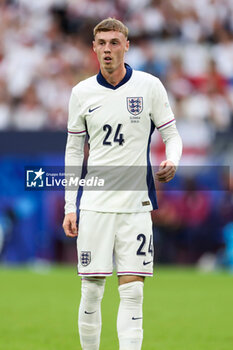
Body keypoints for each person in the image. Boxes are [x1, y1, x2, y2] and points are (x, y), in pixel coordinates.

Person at [63, 18, 182, 350]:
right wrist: (70, 206)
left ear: (126, 46)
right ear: (93, 48)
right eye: (101, 43)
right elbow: (74, 150)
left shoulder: (149, 87)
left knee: (133, 292)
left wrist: (173, 159)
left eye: (114, 43)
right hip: (95, 204)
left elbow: (172, 135)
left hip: (135, 206)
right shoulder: (81, 92)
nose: (107, 50)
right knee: (92, 289)